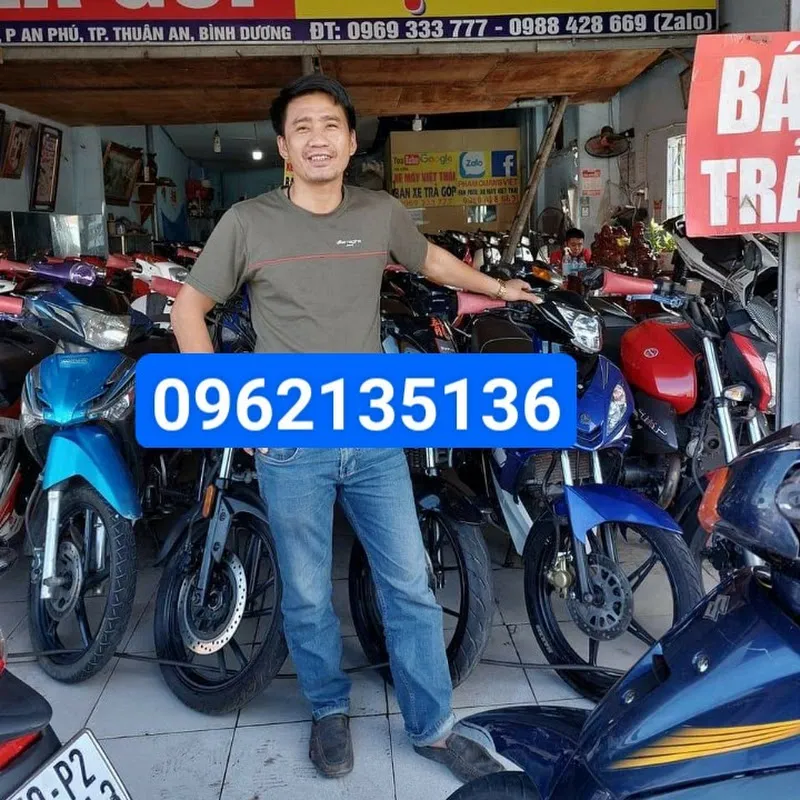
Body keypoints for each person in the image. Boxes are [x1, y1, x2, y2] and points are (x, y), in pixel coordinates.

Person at [169, 75, 540, 784]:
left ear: (349, 140)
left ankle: (433, 728)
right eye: (302, 127)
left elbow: (428, 259)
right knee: (307, 592)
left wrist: (498, 288)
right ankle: (328, 710)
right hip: (289, 439)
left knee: (410, 583)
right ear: (284, 147)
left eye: (330, 125)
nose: (317, 138)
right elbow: (189, 310)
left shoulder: (379, 212)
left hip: (371, 433)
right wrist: (226, 404)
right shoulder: (247, 222)